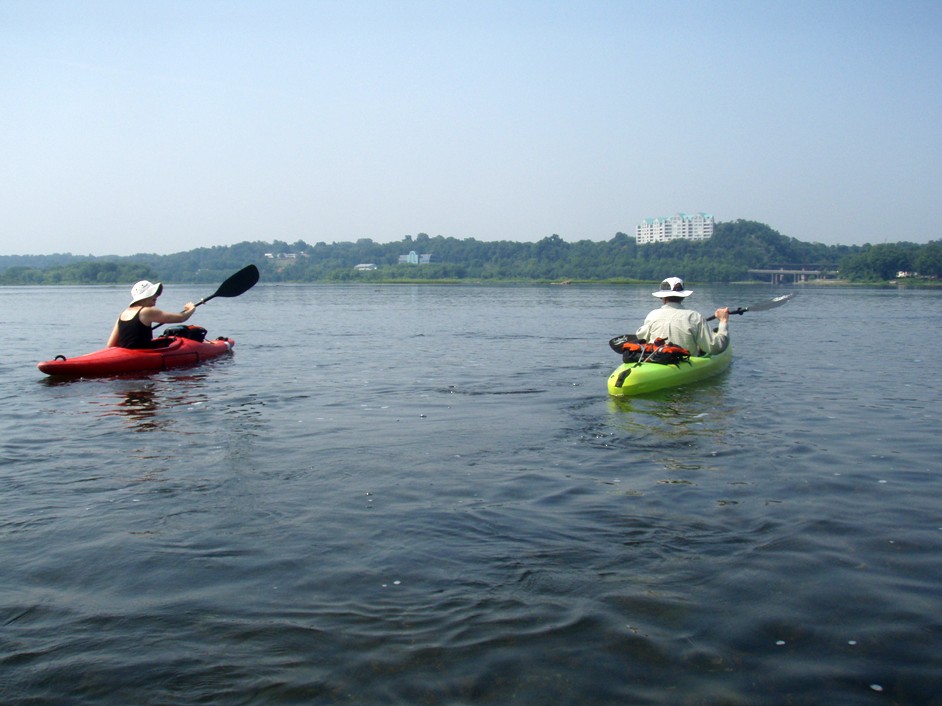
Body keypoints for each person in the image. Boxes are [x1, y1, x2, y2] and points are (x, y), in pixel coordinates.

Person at [635, 276, 729, 356]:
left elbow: (641, 339)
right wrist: (723, 321)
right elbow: (716, 348)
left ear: (663, 297)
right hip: (684, 361)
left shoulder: (652, 315)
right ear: (683, 297)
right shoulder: (695, 317)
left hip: (655, 358)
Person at [107, 280, 197, 349]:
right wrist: (191, 309)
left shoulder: (123, 314)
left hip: (125, 354)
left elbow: (110, 345)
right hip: (142, 356)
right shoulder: (147, 311)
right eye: (154, 293)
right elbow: (181, 318)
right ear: (145, 296)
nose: (156, 296)